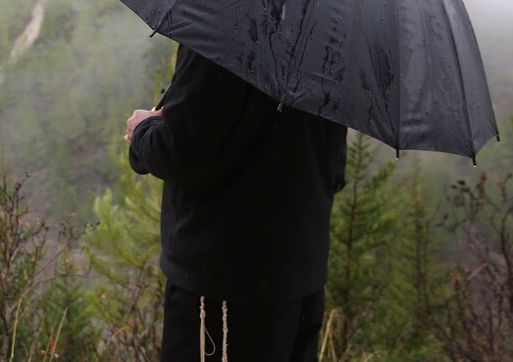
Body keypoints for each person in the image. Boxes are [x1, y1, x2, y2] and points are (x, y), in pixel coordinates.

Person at [125, 44, 347, 361]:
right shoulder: (332, 38)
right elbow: (334, 172)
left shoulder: (222, 27)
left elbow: (177, 152)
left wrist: (143, 130)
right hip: (300, 284)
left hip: (223, 288)